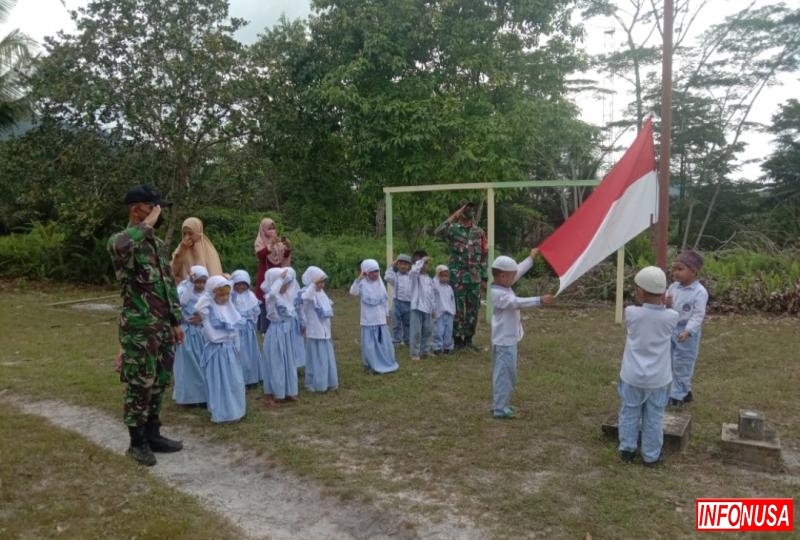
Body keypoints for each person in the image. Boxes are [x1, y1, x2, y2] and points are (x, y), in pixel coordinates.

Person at [107, 184, 185, 467]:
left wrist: (176, 321)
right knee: (140, 384)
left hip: (162, 327)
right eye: (153, 207)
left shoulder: (157, 245)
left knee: (160, 381)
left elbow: (168, 285)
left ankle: (153, 434)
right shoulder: (122, 242)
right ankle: (136, 442)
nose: (158, 212)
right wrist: (147, 226)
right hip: (139, 329)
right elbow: (119, 246)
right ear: (135, 208)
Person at [618, 266, 679, 466]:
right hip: (658, 379)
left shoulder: (631, 313)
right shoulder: (671, 317)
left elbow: (639, 311)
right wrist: (667, 304)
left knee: (629, 411)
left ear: (640, 292)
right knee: (654, 416)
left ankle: (627, 449)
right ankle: (651, 455)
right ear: (663, 293)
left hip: (632, 375)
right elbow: (669, 313)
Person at [490, 250, 554, 419]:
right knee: (505, 375)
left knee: (507, 374)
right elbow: (516, 302)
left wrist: (531, 258)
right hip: (504, 342)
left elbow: (518, 270)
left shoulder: (504, 284)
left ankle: (501, 404)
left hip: (508, 340)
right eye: (512, 275)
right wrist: (539, 300)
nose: (515, 277)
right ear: (503, 276)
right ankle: (500, 408)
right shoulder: (498, 294)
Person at [434, 200, 488, 350]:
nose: (469, 211)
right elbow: (438, 232)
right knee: (456, 308)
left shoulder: (479, 232)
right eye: (466, 208)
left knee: (473, 308)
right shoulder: (453, 230)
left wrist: (484, 277)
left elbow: (484, 255)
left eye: (471, 208)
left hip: (474, 277)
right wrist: (453, 216)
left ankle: (468, 339)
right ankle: (457, 340)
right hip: (457, 276)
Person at [195, 276, 246, 423]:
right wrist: (208, 294)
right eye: (220, 294)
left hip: (230, 350)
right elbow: (199, 307)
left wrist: (237, 347)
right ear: (213, 294)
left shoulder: (230, 309)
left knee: (234, 381)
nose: (224, 298)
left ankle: (236, 410)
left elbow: (235, 331)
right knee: (219, 381)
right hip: (216, 351)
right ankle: (222, 412)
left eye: (226, 294)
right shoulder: (208, 311)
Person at [665, 250, 709, 407]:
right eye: (674, 269)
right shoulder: (673, 288)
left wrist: (688, 331)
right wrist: (666, 304)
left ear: (693, 271)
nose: (675, 273)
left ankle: (677, 396)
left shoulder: (699, 292)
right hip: (672, 328)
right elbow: (666, 305)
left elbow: (698, 315)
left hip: (686, 332)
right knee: (669, 360)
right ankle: (685, 390)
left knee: (683, 363)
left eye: (680, 269)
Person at [349, 259, 400, 374]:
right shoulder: (362, 283)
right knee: (370, 345)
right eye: (372, 272)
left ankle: (386, 362)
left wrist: (387, 314)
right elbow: (353, 293)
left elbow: (384, 301)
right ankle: (371, 364)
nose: (375, 274)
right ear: (366, 272)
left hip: (380, 319)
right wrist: (359, 279)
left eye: (377, 271)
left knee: (383, 343)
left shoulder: (380, 283)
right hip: (368, 320)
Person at [261, 267, 300, 406]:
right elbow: (272, 295)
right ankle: (273, 393)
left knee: (288, 361)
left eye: (287, 284)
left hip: (286, 333)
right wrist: (279, 281)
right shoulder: (271, 298)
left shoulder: (285, 296)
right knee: (276, 363)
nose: (286, 287)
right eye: (283, 284)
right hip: (276, 333)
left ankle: (289, 390)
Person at [172, 265, 209, 406]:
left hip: (203, 333)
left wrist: (203, 318)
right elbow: (181, 303)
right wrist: (189, 284)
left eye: (203, 282)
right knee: (188, 365)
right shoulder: (184, 290)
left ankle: (203, 395)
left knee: (202, 363)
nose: (200, 285)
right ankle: (188, 397)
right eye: (197, 281)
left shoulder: (207, 293)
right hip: (187, 333)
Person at [300, 266, 339, 392]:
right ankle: (317, 382)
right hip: (315, 332)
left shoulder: (322, 294)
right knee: (316, 358)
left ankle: (329, 380)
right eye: (319, 282)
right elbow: (306, 298)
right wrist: (313, 285)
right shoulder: (307, 292)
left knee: (326, 357)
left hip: (325, 331)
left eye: (323, 282)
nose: (321, 285)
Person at [254, 218, 292, 333]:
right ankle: (264, 327)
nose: (271, 231)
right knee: (265, 297)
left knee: (277, 296)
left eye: (273, 228)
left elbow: (284, 255)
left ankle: (277, 320)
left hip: (277, 274)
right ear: (263, 229)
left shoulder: (277, 241)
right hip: (265, 274)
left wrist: (287, 247)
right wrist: (269, 246)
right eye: (269, 228)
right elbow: (260, 255)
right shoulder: (260, 241)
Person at [230, 269, 262, 388]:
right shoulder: (232, 297)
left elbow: (255, 312)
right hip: (237, 330)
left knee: (251, 353)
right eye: (238, 284)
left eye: (244, 284)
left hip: (248, 330)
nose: (241, 287)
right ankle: (241, 378)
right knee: (240, 354)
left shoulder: (251, 296)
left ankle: (253, 377)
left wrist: (250, 321)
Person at [170, 217, 223, 282]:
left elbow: (214, 274)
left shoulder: (209, 251)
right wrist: (182, 250)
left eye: (190, 233)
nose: (187, 237)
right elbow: (173, 271)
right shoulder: (181, 249)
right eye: (184, 234)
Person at [408, 254, 435, 361]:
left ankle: (425, 351)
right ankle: (414, 353)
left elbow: (431, 295)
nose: (425, 266)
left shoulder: (429, 279)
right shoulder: (414, 277)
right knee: (416, 332)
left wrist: (433, 308)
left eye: (426, 264)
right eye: (423, 264)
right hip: (417, 308)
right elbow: (414, 271)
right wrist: (421, 261)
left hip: (427, 309)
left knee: (428, 330)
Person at [384, 253, 413, 346]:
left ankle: (407, 340)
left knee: (407, 323)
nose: (403, 266)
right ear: (397, 265)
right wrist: (392, 265)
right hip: (397, 303)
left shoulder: (412, 277)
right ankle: (396, 340)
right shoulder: (395, 276)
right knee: (395, 323)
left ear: (409, 266)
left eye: (405, 264)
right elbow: (387, 276)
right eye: (401, 264)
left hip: (409, 303)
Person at [432, 264, 456, 355]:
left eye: (446, 276)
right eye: (442, 276)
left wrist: (454, 311)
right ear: (438, 276)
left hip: (449, 313)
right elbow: (434, 282)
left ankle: (447, 347)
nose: (445, 278)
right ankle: (437, 347)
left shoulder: (449, 288)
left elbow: (452, 300)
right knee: (439, 331)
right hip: (440, 313)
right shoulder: (436, 286)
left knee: (448, 332)